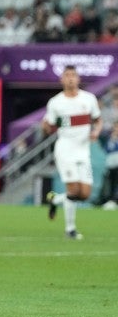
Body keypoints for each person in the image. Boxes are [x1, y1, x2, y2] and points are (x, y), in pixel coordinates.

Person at [43, 65, 102, 239]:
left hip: (83, 151)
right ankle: (70, 229)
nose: (70, 78)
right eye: (67, 75)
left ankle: (54, 200)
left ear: (78, 79)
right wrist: (45, 126)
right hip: (65, 150)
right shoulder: (55, 102)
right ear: (62, 79)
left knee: (84, 194)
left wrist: (96, 132)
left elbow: (98, 120)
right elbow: (50, 128)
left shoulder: (89, 99)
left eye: (73, 75)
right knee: (74, 190)